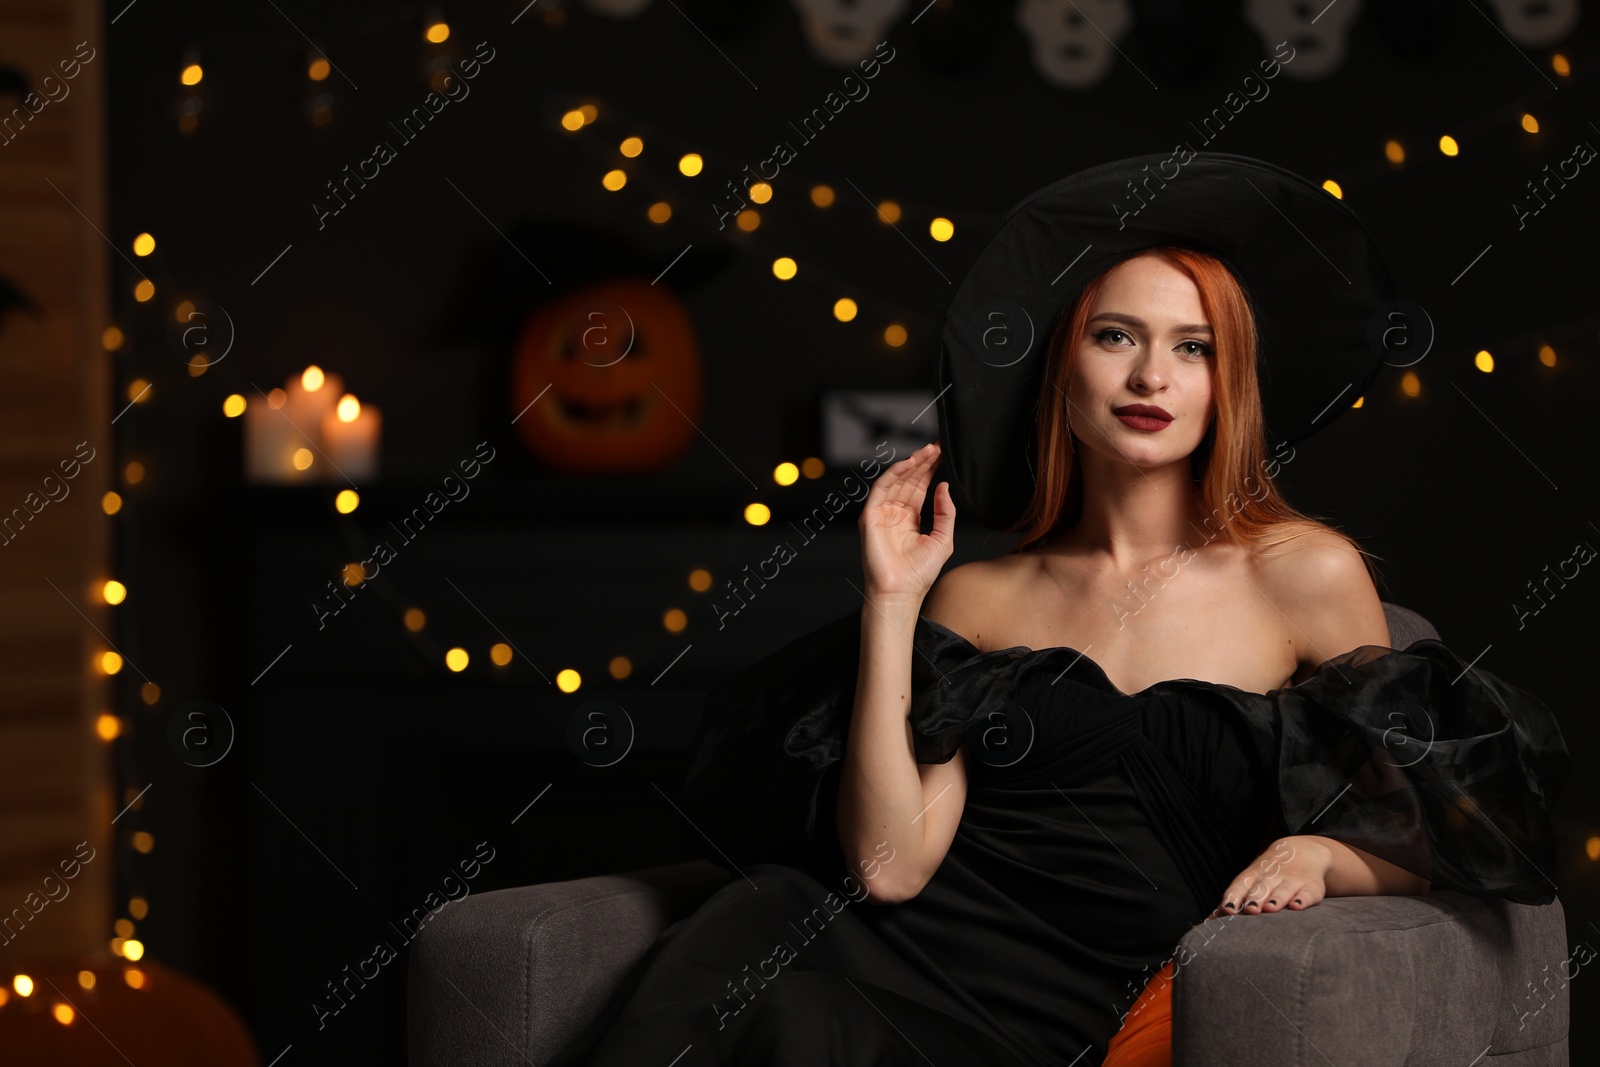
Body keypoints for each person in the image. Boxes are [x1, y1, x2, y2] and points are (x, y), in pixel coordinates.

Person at [548, 153, 1571, 1067]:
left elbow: (1444, 842)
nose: (1148, 376)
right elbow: (888, 866)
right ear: (1060, 370)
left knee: (813, 1028)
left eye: (1192, 347)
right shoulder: (980, 591)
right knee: (773, 991)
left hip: (1045, 1014)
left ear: (1230, 382)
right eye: (1115, 336)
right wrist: (892, 604)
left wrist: (1325, 855)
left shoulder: (1302, 573)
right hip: (869, 945)